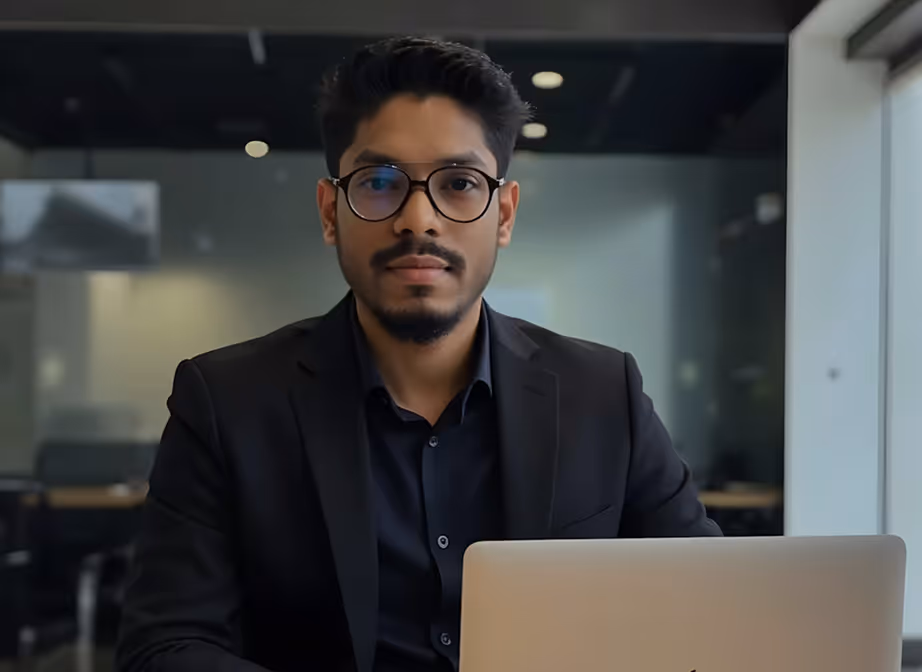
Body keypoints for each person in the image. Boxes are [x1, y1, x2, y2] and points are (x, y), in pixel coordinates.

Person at [116, 36, 720, 672]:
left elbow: (710, 610)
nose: (418, 219)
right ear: (330, 212)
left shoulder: (603, 391)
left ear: (504, 215)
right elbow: (165, 648)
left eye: (459, 183)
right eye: (379, 182)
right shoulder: (227, 401)